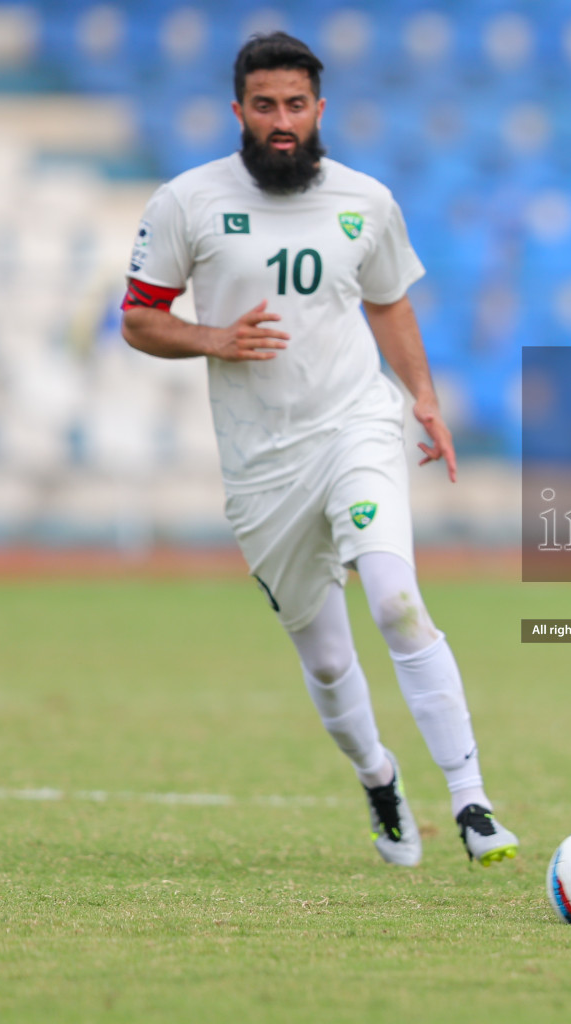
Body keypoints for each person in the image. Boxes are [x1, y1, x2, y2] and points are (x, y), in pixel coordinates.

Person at [119, 33, 517, 867]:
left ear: (319, 109)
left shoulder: (365, 202)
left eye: (295, 104)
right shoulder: (187, 202)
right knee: (330, 659)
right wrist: (215, 338)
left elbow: (389, 305)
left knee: (396, 600)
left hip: (355, 425)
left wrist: (425, 400)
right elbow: (140, 316)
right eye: (264, 105)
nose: (282, 120)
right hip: (262, 465)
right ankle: (380, 780)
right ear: (239, 112)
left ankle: (473, 800)